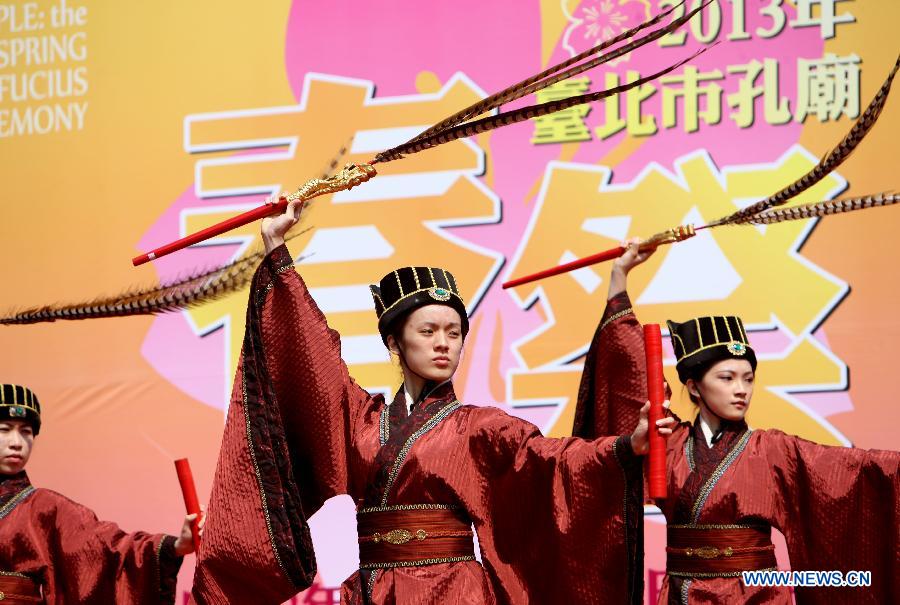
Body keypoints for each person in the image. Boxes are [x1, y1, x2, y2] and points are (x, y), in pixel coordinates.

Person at [191, 200, 673, 605]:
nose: (444, 343)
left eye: (454, 332)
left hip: (454, 590)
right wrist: (276, 245)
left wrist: (625, 445)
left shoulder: (480, 428)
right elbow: (310, 357)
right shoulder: (360, 417)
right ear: (395, 345)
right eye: (428, 331)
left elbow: (553, 461)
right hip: (376, 588)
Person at [573, 240, 900, 604]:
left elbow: (857, 472)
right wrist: (619, 274)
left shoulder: (775, 450)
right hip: (680, 595)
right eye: (727, 378)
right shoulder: (667, 439)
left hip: (754, 596)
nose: (741, 389)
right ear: (694, 387)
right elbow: (628, 367)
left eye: (748, 378)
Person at [0, 383, 199, 604]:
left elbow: (110, 551)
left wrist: (176, 545)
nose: (17, 443)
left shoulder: (45, 508)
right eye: (5, 429)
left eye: (26, 432)